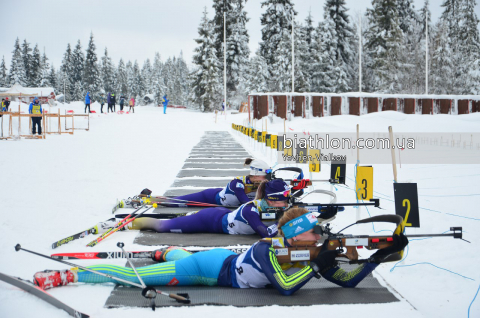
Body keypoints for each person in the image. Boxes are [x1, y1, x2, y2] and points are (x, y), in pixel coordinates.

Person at [32, 207, 408, 295]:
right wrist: (319, 265)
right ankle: (70, 274)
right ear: (294, 236)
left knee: (172, 258)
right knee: (137, 278)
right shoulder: (266, 249)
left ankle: (166, 252)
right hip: (210, 270)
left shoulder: (309, 254)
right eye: (313, 233)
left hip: (223, 263)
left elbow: (345, 281)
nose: (319, 237)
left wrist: (379, 255)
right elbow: (286, 286)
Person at [129, 178, 290, 238]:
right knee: (163, 226)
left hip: (223, 213)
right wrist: (289, 221)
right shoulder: (251, 210)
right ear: (273, 200)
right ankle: (129, 223)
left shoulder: (267, 206)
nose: (286, 204)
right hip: (210, 220)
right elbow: (265, 233)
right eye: (285, 200)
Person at [165, 158, 270, 208]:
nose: (267, 179)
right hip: (211, 197)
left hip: (225, 199)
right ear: (256, 175)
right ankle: (164, 201)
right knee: (180, 201)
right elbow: (245, 202)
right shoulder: (238, 183)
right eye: (265, 176)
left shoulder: (263, 183)